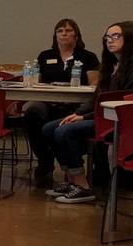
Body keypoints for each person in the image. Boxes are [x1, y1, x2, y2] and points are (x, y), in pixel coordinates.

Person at [44, 21, 133, 204]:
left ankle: (83, 187)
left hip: (126, 121)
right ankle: (73, 180)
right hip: (107, 116)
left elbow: (122, 103)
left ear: (131, 38)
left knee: (64, 131)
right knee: (49, 129)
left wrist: (84, 117)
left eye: (116, 36)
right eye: (107, 37)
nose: (110, 40)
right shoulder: (113, 64)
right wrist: (79, 113)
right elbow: (99, 97)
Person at [24, 18, 102, 187]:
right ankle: (45, 161)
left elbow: (94, 85)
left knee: (66, 122)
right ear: (55, 35)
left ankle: (72, 163)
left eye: (68, 30)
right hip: (49, 102)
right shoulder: (45, 56)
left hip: (76, 104)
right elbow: (37, 82)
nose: (64, 34)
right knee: (32, 112)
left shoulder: (88, 57)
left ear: (76, 35)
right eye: (60, 31)